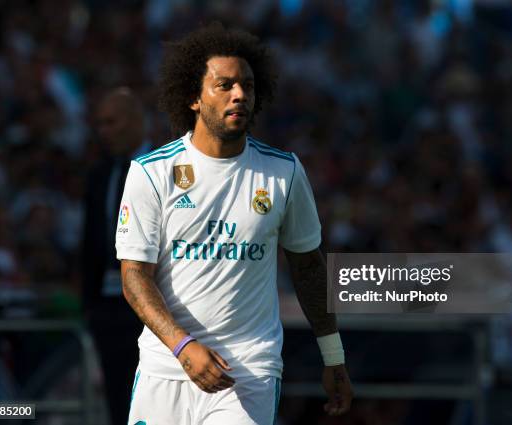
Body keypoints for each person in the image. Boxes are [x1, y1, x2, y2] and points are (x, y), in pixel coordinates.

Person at [116, 23, 353, 425]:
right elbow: (134, 276)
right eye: (224, 85)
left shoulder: (284, 173)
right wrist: (182, 346)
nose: (239, 94)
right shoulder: (151, 172)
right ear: (193, 96)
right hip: (166, 368)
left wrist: (333, 357)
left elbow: (309, 269)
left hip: (248, 372)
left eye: (247, 85)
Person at [82, 87, 151, 425]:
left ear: (136, 120)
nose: (104, 131)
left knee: (154, 400)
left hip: (153, 306)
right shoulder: (100, 174)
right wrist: (90, 306)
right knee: (117, 400)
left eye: (112, 122)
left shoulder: (166, 169)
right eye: (100, 124)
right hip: (109, 307)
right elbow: (90, 242)